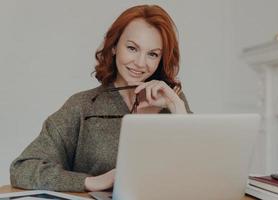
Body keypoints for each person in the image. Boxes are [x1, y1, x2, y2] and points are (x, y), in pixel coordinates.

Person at [10, 4, 192, 192]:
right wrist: (91, 181)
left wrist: (177, 107)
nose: (140, 63)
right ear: (114, 46)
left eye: (152, 54)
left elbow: (198, 171)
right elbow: (23, 168)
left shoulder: (173, 101)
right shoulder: (82, 106)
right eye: (132, 48)